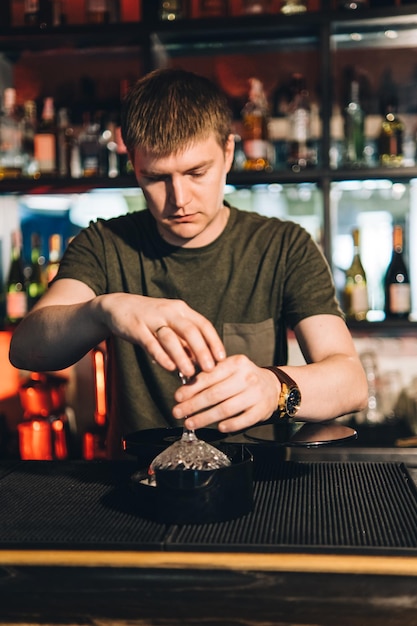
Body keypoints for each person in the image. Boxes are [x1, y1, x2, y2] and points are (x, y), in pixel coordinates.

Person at [9, 68, 368, 458]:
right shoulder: (104, 245)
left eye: (197, 172)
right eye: (156, 178)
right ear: (134, 165)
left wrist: (274, 388)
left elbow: (351, 383)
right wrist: (103, 310)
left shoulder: (283, 246)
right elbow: (26, 350)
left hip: (257, 485)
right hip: (139, 487)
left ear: (229, 152)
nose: (179, 198)